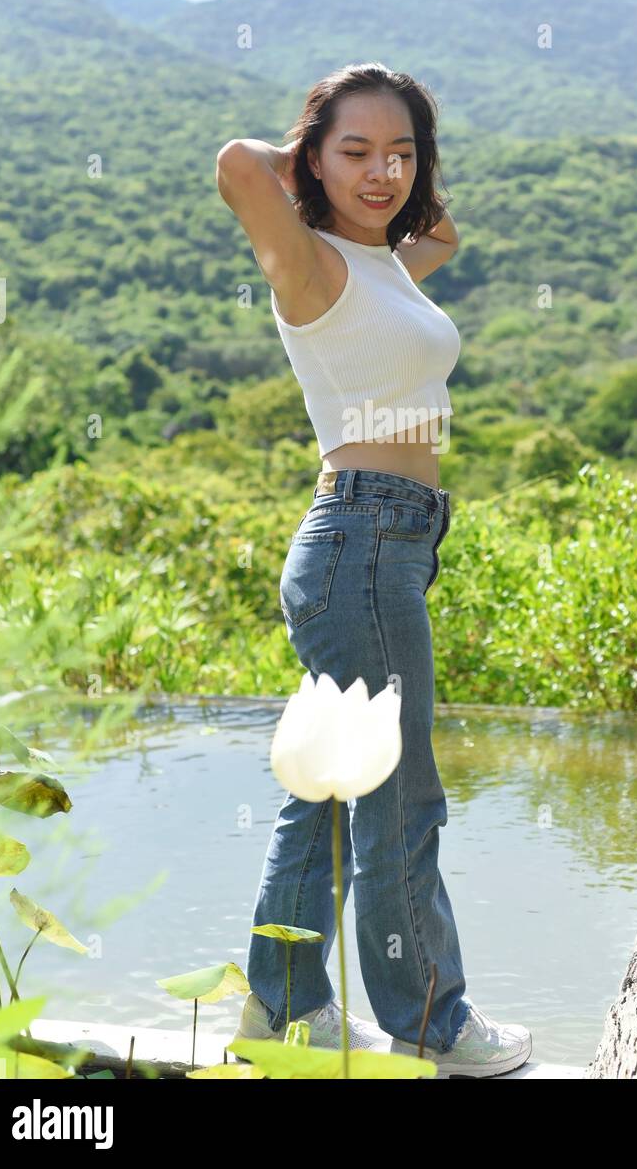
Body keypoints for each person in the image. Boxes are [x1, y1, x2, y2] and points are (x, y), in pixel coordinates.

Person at [215, 62, 531, 1077]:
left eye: (400, 152)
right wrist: (312, 151)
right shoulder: (309, 265)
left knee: (330, 793)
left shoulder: (387, 262)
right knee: (400, 798)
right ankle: (433, 1023)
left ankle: (282, 1008)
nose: (382, 171)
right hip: (360, 543)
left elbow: (444, 230)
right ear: (313, 154)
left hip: (388, 545)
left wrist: (383, 162)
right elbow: (237, 164)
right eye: (355, 150)